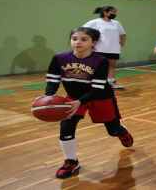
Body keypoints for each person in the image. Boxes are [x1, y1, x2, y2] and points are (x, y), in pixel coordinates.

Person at [43, 27, 133, 179]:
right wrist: (48, 97)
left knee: (112, 130)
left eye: (84, 39)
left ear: (94, 42)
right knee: (66, 127)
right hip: (73, 97)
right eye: (74, 38)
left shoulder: (101, 61)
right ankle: (71, 161)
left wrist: (81, 101)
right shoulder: (59, 58)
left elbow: (97, 88)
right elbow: (53, 81)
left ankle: (121, 131)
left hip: (100, 97)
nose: (78, 42)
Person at [84, 6, 127, 89]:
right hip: (99, 49)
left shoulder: (116, 23)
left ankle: (111, 83)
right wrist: (90, 44)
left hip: (114, 49)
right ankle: (92, 83)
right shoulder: (95, 22)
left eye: (115, 12)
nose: (114, 14)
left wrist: (122, 43)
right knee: (97, 67)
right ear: (105, 12)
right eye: (112, 12)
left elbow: (123, 34)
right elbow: (84, 30)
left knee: (112, 66)